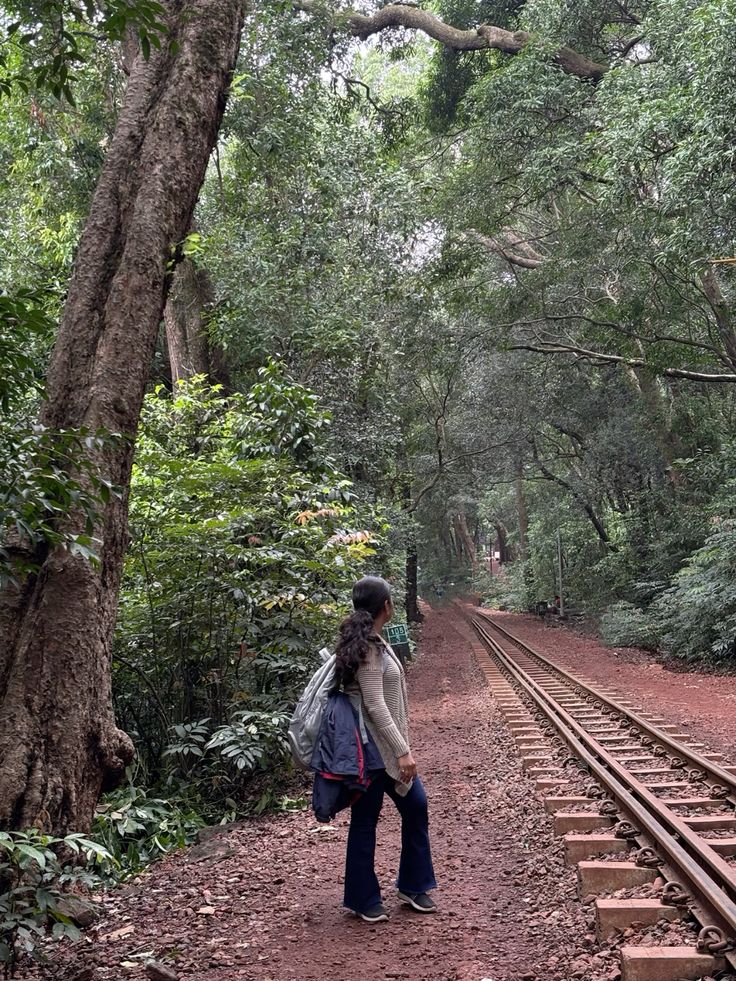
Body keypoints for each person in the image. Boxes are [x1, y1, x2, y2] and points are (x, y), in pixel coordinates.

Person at [334, 575, 437, 923]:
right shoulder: (367, 650)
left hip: (385, 750)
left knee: (416, 807)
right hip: (372, 753)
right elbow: (376, 707)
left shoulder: (375, 642)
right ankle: (364, 899)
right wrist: (402, 750)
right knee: (366, 821)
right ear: (387, 606)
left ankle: (412, 884)